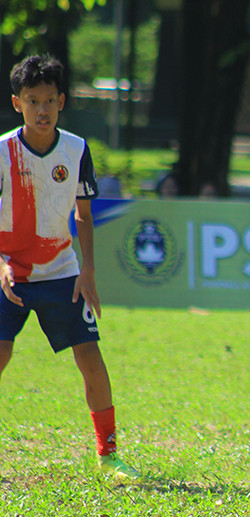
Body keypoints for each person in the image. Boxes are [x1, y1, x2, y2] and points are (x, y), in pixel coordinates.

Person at [0, 54, 140, 480]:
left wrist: (88, 269)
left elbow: (83, 214)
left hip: (61, 272)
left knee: (91, 357)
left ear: (61, 102)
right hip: (9, 275)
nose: (41, 110)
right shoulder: (2, 151)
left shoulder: (76, 149)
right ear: (17, 102)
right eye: (31, 100)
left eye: (48, 100)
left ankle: (109, 453)